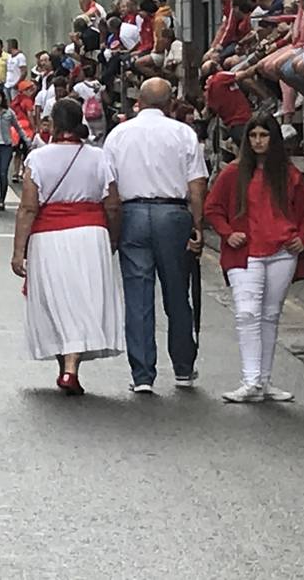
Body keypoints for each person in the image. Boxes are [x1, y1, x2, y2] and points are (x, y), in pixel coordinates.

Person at [11, 99, 124, 395]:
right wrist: (112, 239)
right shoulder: (99, 158)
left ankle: (68, 368)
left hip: (49, 237)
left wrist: (18, 251)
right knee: (81, 298)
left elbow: (27, 208)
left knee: (57, 299)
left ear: (55, 125)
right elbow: (112, 204)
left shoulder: (38, 159)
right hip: (91, 234)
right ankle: (70, 369)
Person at [104, 78, 207, 394]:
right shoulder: (183, 133)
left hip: (132, 213)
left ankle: (143, 374)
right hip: (172, 213)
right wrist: (198, 226)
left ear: (140, 102)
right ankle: (183, 368)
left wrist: (113, 228)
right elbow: (197, 184)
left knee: (138, 296)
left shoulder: (118, 134)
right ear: (170, 102)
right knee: (178, 293)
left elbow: (110, 187)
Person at [204, 115, 304, 404]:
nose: (258, 141)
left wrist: (302, 237)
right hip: (247, 252)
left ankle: (263, 381)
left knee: (270, 315)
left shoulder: (289, 175)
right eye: (253, 136)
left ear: (273, 139)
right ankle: (251, 379)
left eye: (264, 135)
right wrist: (228, 233)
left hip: (282, 252)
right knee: (247, 313)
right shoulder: (233, 172)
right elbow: (212, 207)